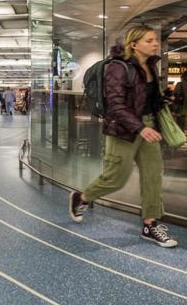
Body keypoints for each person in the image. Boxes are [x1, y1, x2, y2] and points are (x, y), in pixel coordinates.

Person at [68, 25, 177, 248]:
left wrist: (163, 99)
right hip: (123, 130)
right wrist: (139, 128)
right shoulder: (117, 68)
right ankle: (82, 198)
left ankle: (150, 224)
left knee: (153, 175)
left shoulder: (151, 66)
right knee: (116, 178)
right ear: (134, 44)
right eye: (149, 40)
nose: (156, 43)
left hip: (147, 126)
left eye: (156, 40)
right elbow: (115, 105)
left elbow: (147, 100)